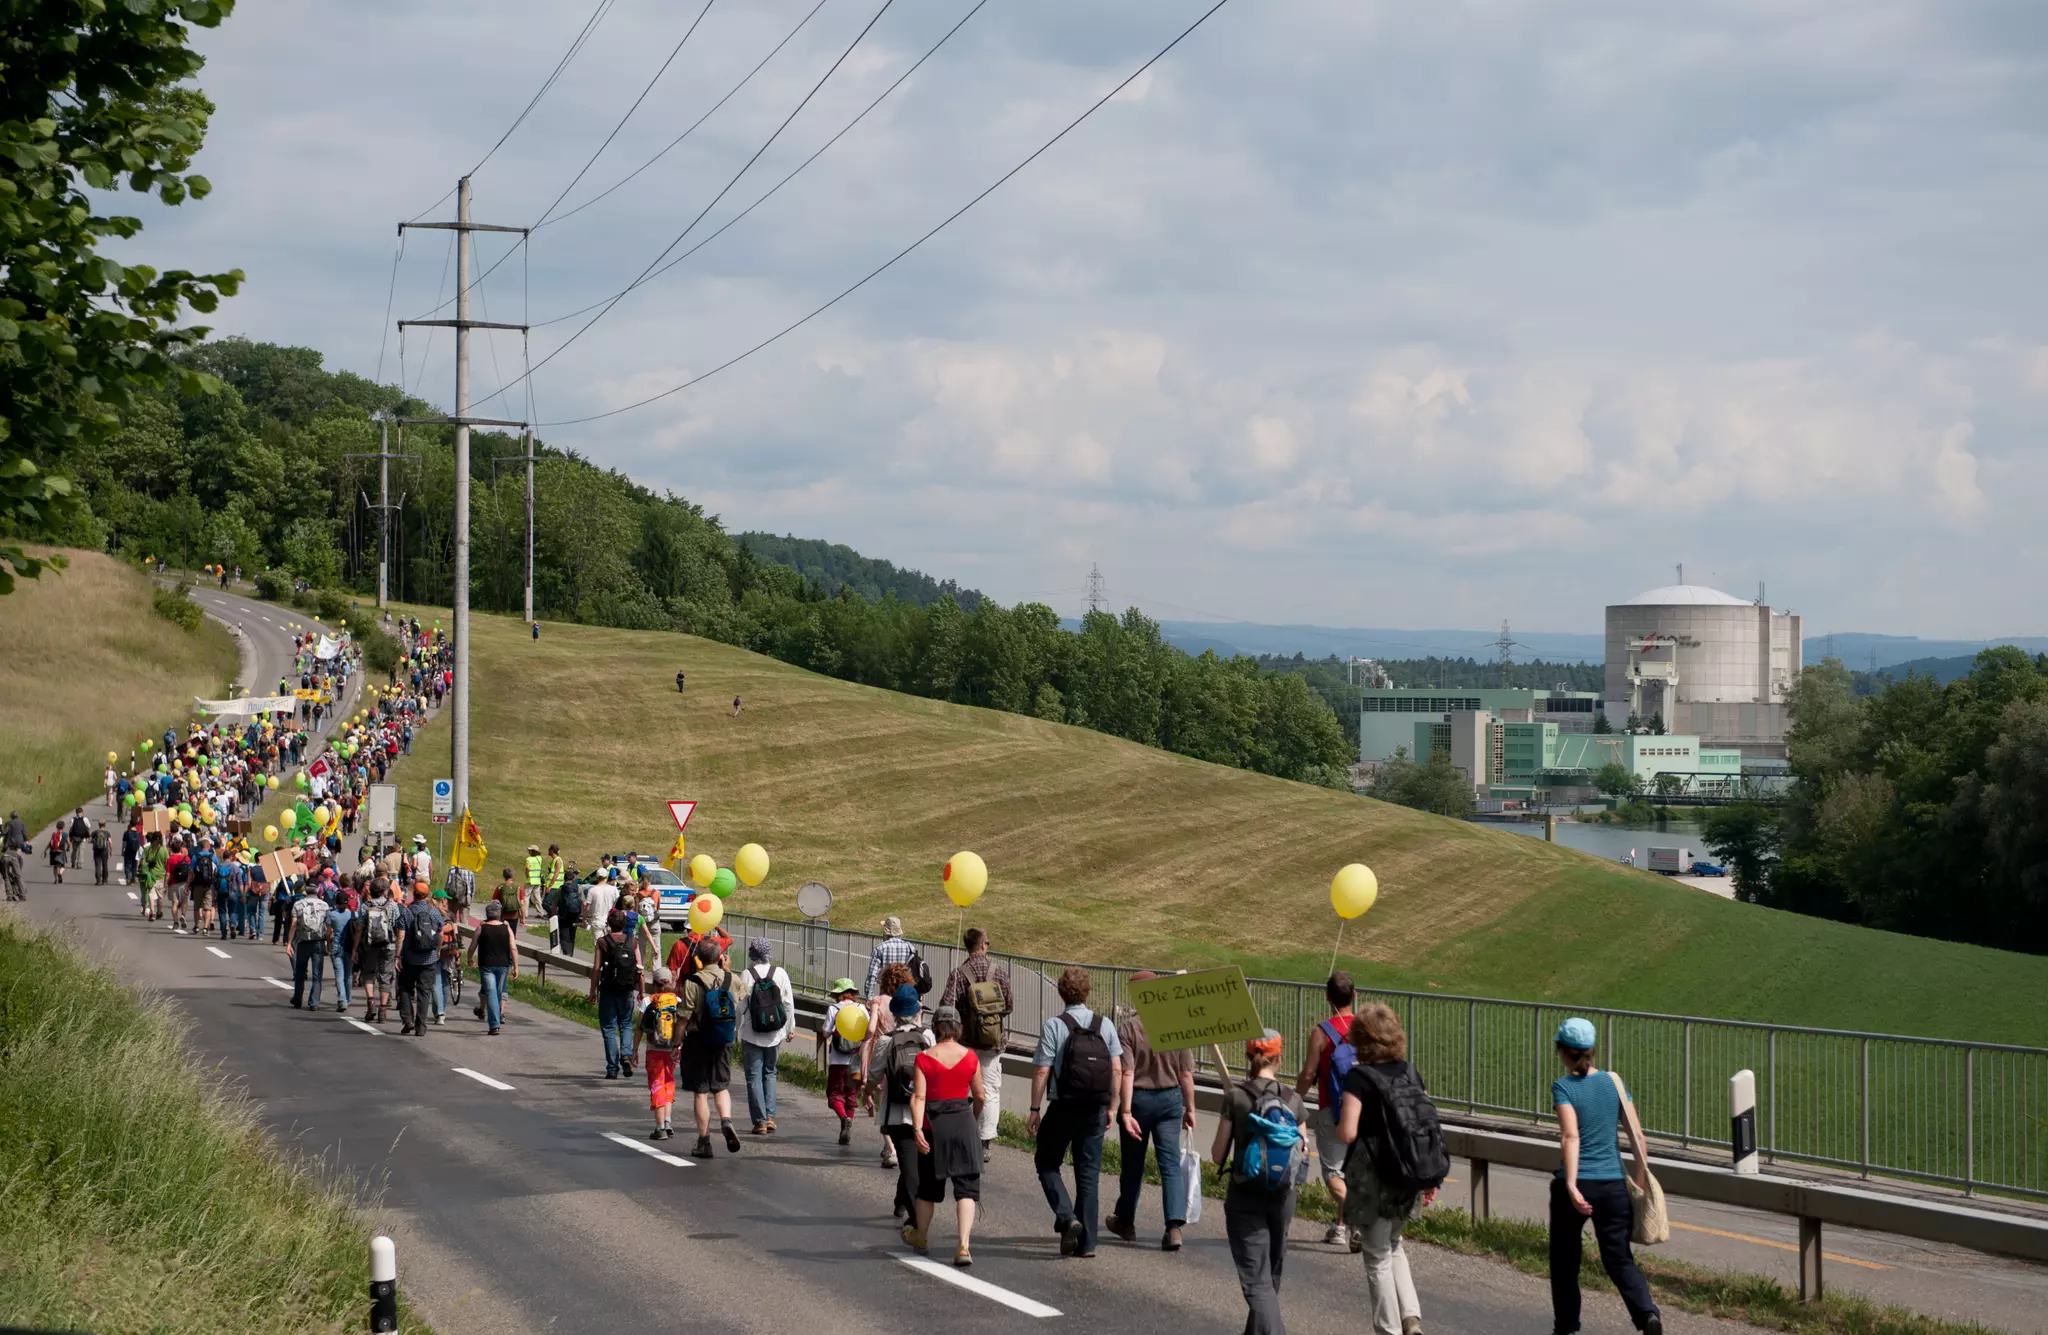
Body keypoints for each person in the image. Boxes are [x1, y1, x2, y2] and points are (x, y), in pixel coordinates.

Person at [1550, 1017, 1662, 1335]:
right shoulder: (1614, 1082)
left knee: (1565, 1262)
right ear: (1592, 1050)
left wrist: (1571, 1185)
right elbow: (1638, 1136)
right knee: (1619, 1259)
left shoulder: (1564, 1087)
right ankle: (1647, 1315)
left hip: (1576, 1184)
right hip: (1613, 1184)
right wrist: (1638, 1181)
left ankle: (1568, 1328)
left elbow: (1570, 1137)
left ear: (1563, 1052)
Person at [1335, 1004, 1439, 1335]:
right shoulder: (1410, 1071)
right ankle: (1411, 1318)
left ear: (1361, 1040)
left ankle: (1388, 1329)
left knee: (1376, 1255)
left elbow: (1348, 1132)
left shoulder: (1359, 1076)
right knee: (1395, 1244)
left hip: (1373, 1176)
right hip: (1408, 1170)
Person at [1212, 1029, 1307, 1335]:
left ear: (1247, 1057)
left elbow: (1216, 1155)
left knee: (1257, 1281)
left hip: (1245, 1195)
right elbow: (1302, 1151)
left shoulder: (1237, 1096)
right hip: (1283, 1195)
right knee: (1270, 1275)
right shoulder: (1294, 1100)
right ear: (1279, 1058)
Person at [1028, 966, 1124, 1259]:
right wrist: (1112, 1106)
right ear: (1087, 991)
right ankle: (1088, 1244)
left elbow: (1043, 1069)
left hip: (1063, 1106)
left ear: (1060, 992)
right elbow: (1118, 1069)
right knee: (1088, 1175)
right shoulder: (1104, 1024)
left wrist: (1034, 1108)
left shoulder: (1055, 1026)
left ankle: (1067, 1216)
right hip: (1094, 1107)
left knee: (1046, 1161)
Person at [1107, 970, 1197, 1251]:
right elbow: (1186, 1075)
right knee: (1169, 1163)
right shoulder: (1176, 1024)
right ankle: (1173, 1227)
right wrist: (1190, 1108)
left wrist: (1126, 1110)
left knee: (1133, 1165)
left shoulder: (1129, 1028)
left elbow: (1127, 1072)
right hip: (1170, 1100)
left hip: (1140, 1100)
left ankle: (1126, 1221)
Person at [909, 1003, 987, 1267]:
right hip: (963, 1126)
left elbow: (919, 1096)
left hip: (933, 1129)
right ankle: (963, 1245)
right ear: (958, 1027)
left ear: (935, 1028)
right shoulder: (971, 1057)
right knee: (966, 1188)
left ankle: (921, 1236)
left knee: (928, 1189)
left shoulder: (923, 1058)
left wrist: (918, 1128)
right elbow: (980, 1095)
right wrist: (972, 1119)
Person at [1298, 971, 1363, 1251]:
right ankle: (1341, 1227)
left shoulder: (1321, 1032)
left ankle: (1357, 1219)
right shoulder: (1367, 1028)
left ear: (1327, 998)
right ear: (1355, 995)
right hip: (1365, 1110)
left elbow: (1309, 1072)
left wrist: (1294, 1101)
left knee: (1333, 1173)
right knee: (1352, 1171)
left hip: (1332, 1110)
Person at [939, 926, 1014, 1150]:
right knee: (990, 1090)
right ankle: (985, 1141)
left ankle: (961, 1132)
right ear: (982, 945)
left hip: (965, 1042)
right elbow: (1009, 1005)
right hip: (993, 1042)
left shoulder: (959, 973)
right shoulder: (999, 971)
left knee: (962, 1087)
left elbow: (947, 1005)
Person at [869, 984, 931, 1221]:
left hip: (896, 1112)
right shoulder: (928, 1037)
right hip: (924, 1112)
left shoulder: (886, 1040)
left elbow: (874, 1075)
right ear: (918, 1010)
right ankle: (917, 1221)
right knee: (913, 1164)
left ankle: (908, 1209)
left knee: (908, 1163)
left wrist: (868, 1093)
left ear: (893, 1013)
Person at [677, 936, 742, 1159]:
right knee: (721, 1086)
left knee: (701, 1092)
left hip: (698, 1039)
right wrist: (728, 971)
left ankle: (704, 1141)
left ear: (698, 959)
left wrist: (676, 1041)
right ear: (719, 957)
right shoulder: (732, 978)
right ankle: (726, 1120)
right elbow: (739, 999)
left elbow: (684, 1016)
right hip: (723, 1039)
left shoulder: (693, 981)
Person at [738, 936, 794, 1134]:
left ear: (752, 953)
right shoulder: (780, 973)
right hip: (775, 1033)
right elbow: (788, 1003)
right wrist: (789, 1029)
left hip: (752, 1033)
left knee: (753, 1076)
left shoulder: (747, 974)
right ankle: (770, 1117)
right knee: (770, 1073)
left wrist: (738, 1028)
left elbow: (741, 1005)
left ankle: (759, 1121)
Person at [588, 908, 641, 1079]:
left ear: (609, 924)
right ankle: (626, 1054)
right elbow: (639, 967)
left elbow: (597, 968)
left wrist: (592, 991)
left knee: (609, 1027)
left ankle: (612, 1068)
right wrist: (642, 990)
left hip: (609, 988)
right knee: (625, 1023)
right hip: (626, 989)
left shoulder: (602, 942)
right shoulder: (632, 942)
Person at [636, 967, 684, 1138]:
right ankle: (668, 1121)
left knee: (657, 1084)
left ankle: (659, 1127)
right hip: (673, 1049)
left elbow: (640, 1028)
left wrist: (634, 1051)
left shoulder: (648, 1001)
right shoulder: (677, 1000)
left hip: (654, 1049)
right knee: (669, 1082)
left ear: (654, 983)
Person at [394, 882, 444, 1036]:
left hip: (410, 958)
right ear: (427, 895)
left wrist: (398, 955)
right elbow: (441, 934)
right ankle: (421, 1027)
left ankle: (407, 1019)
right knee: (424, 992)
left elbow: (401, 935)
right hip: (429, 958)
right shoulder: (434, 912)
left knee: (405, 988)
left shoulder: (407, 912)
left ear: (413, 895)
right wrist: (438, 950)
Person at [465, 900, 518, 1034]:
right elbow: (513, 948)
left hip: (486, 965)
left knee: (492, 993)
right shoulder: (506, 928)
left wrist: (470, 959)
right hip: (503, 965)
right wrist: (516, 966)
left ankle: (494, 1025)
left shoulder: (481, 928)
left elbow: (472, 946)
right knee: (497, 993)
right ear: (499, 914)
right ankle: (495, 1022)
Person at [823, 978, 864, 1145]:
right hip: (856, 1059)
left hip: (838, 1060)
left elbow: (825, 1033)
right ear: (853, 993)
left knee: (835, 1094)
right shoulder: (861, 1009)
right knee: (851, 1095)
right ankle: (848, 1122)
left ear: (839, 994)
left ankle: (844, 1118)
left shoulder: (834, 1009)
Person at [284, 878, 331, 1009]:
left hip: (303, 941)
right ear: (317, 889)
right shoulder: (324, 905)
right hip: (318, 942)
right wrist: (328, 943)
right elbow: (328, 928)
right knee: (317, 974)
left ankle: (298, 998)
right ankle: (314, 1002)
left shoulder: (298, 905)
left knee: (300, 972)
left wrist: (289, 943)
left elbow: (293, 925)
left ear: (305, 889)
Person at [359, 877, 400, 1023]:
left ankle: (371, 1003)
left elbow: (360, 927)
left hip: (370, 945)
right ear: (384, 891)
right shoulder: (392, 906)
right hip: (388, 946)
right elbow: (397, 927)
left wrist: (355, 947)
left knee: (368, 974)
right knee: (385, 976)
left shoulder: (365, 906)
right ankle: (382, 1011)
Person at [862, 914, 921, 1004]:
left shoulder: (880, 948)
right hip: (903, 993)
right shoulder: (909, 947)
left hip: (886, 993)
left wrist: (869, 997)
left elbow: (872, 975)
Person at [90, 820, 112, 886]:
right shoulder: (107, 833)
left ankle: (98, 880)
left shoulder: (94, 832)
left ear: (98, 824)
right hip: (104, 850)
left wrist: (93, 841)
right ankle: (104, 880)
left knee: (97, 865)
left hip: (96, 850)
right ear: (104, 825)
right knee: (105, 865)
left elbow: (90, 840)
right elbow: (110, 842)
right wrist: (111, 850)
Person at [47, 820, 68, 885]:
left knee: (55, 866)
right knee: (62, 866)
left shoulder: (54, 834)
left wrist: (45, 850)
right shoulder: (65, 834)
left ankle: (55, 879)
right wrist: (69, 847)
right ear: (63, 827)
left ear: (57, 827)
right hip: (61, 851)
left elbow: (50, 843)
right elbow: (69, 843)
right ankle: (60, 873)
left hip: (53, 851)